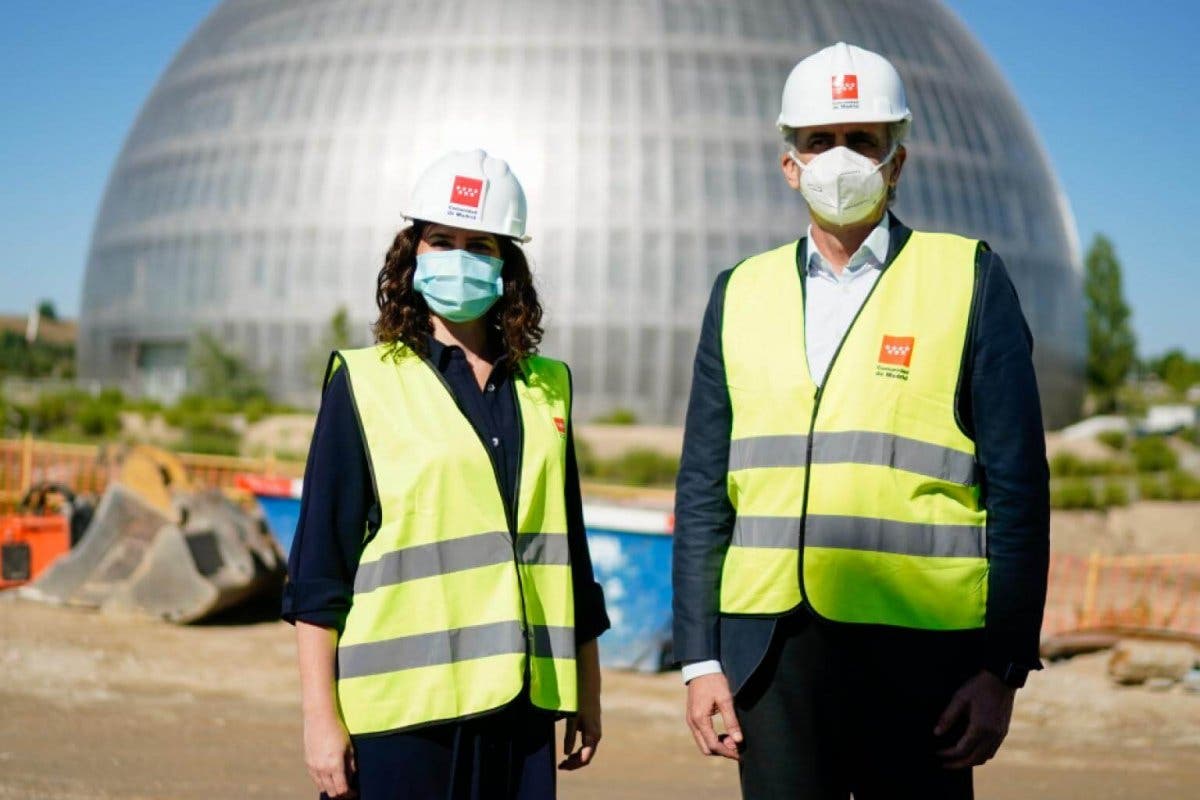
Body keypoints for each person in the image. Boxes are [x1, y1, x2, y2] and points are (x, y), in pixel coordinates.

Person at [672, 42, 1050, 799]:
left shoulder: (967, 277)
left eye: (862, 141)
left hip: (922, 662)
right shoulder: (739, 292)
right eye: (818, 142)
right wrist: (700, 659)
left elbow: (1018, 488)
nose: (838, 158)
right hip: (769, 654)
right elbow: (703, 489)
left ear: (896, 162)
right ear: (789, 164)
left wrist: (1002, 667)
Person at [282, 149, 609, 800]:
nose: (458, 256)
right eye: (441, 240)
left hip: (521, 710)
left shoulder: (548, 389)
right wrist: (321, 721)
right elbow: (320, 570)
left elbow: (568, 556)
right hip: (404, 715)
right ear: (414, 254)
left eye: (478, 244)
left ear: (506, 263)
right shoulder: (366, 383)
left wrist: (588, 690)